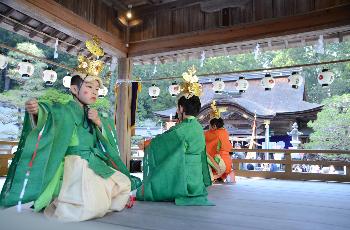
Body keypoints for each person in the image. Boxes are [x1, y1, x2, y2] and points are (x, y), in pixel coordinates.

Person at [0, 74, 140, 221]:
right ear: (74, 89)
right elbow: (50, 113)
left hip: (93, 160)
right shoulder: (65, 110)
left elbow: (108, 129)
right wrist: (37, 111)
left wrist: (98, 121)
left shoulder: (92, 113)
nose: (94, 92)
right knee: (91, 205)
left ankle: (103, 200)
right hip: (75, 162)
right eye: (89, 87)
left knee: (123, 182)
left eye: (97, 89)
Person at [136, 95, 213, 206]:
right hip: (196, 181)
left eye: (178, 108)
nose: (177, 111)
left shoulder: (182, 129)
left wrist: (147, 144)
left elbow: (163, 143)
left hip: (183, 177)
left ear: (181, 109)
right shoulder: (198, 127)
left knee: (143, 192)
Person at [205, 117, 233, 182]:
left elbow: (203, 136)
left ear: (214, 126)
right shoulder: (225, 132)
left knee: (204, 156)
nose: (209, 128)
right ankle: (218, 177)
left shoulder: (215, 133)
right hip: (228, 162)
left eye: (210, 126)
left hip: (221, 162)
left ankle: (211, 178)